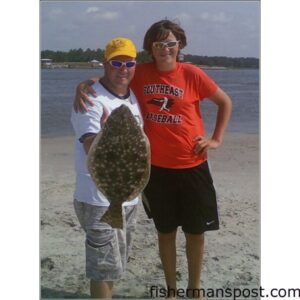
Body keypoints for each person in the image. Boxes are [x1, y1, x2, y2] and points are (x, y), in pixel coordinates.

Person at [74, 20, 232, 299]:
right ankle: (171, 291)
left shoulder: (192, 74)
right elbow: (112, 78)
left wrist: (215, 139)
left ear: (180, 45)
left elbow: (224, 102)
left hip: (193, 166)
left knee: (196, 233)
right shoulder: (141, 73)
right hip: (156, 171)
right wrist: (85, 84)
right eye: (159, 44)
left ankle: (194, 290)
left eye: (171, 43)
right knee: (166, 232)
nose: (165, 49)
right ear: (150, 48)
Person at [71, 37, 143, 299]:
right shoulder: (90, 99)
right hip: (98, 199)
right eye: (116, 63)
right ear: (105, 63)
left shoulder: (131, 93)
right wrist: (106, 133)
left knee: (116, 264)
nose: (123, 68)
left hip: (126, 198)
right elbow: (90, 145)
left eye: (129, 63)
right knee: (103, 268)